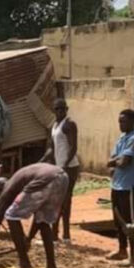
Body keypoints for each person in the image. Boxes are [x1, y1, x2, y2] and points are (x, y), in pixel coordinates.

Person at [0, 163, 68, 268]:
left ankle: (24, 265)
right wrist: (29, 239)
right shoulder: (19, 181)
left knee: (11, 215)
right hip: (62, 177)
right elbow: (38, 221)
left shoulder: (7, 190)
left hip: (46, 178)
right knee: (43, 221)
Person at [106, 109, 134, 264]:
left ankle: (133, 255)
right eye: (119, 121)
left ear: (131, 121)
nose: (120, 124)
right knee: (118, 220)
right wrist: (115, 161)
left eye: (123, 121)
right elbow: (114, 159)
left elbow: (123, 162)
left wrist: (114, 161)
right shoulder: (121, 138)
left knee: (130, 221)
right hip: (117, 184)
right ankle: (122, 250)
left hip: (128, 186)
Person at [40, 98, 79, 243]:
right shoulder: (55, 126)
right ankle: (54, 234)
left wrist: (65, 165)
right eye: (57, 109)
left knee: (65, 201)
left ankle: (66, 235)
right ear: (54, 110)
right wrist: (42, 160)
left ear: (66, 110)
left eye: (62, 109)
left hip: (69, 168)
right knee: (56, 201)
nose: (60, 111)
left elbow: (73, 148)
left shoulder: (69, 125)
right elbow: (52, 148)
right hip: (59, 168)